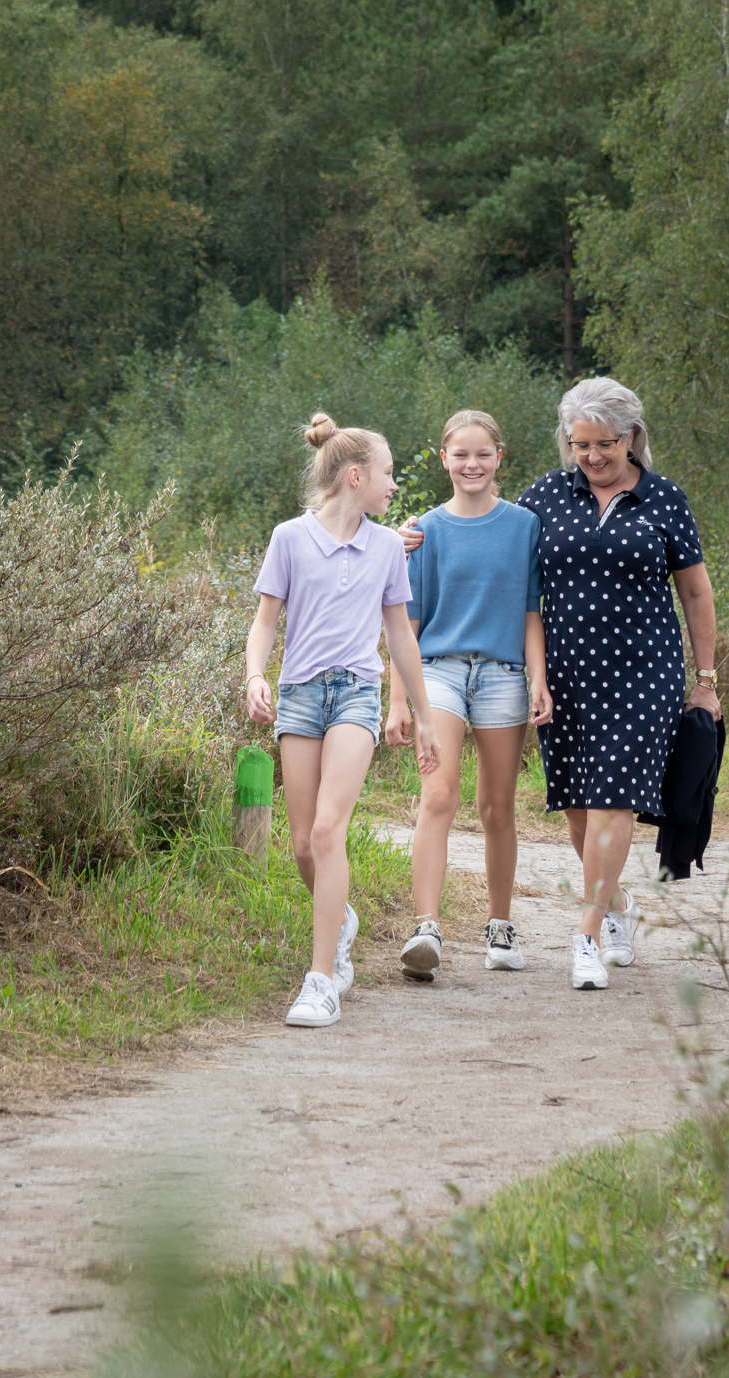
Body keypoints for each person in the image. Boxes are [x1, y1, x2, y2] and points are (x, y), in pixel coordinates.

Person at [519, 377, 720, 990]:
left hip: (644, 674)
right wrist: (418, 536)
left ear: (631, 436)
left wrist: (706, 679)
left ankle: (583, 935)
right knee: (578, 808)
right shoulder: (545, 496)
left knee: (614, 798)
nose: (591, 456)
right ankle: (617, 907)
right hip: (564, 677)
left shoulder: (664, 499)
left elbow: (695, 592)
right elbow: (492, 544)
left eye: (604, 444)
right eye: (580, 444)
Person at [245, 414, 436, 1028]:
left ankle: (322, 979)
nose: (392, 483)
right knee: (303, 845)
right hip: (299, 696)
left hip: (355, 694)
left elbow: (400, 636)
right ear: (355, 476)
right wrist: (254, 675)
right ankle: (342, 917)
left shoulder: (386, 548)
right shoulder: (289, 538)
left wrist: (423, 716)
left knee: (329, 832)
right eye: (387, 472)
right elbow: (266, 620)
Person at [386, 409, 551, 979]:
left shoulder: (524, 526)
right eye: (461, 455)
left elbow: (531, 610)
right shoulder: (423, 531)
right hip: (438, 672)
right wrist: (397, 700)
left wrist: (538, 678)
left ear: (499, 457)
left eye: (483, 454)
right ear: (444, 460)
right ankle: (425, 928)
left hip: (503, 674)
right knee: (438, 794)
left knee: (497, 807)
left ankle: (500, 925)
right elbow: (404, 624)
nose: (472, 464)